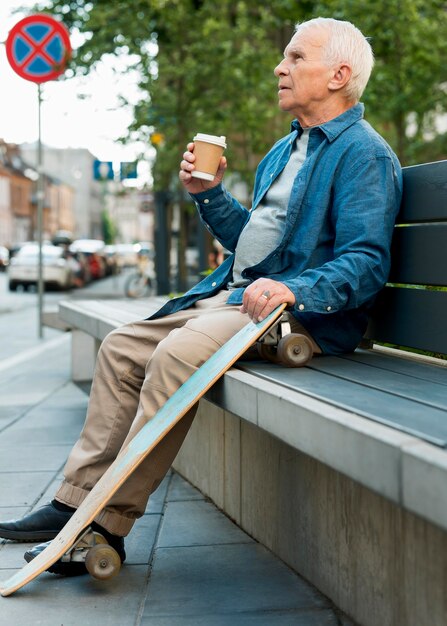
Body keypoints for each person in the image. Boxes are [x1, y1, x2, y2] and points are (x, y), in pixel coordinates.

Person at [0, 17, 402, 574]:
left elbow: (366, 263)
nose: (279, 68)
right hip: (242, 297)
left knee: (175, 355)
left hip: (299, 318)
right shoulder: (283, 152)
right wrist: (210, 195)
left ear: (338, 74)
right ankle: (72, 501)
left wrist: (292, 287)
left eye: (295, 58)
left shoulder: (364, 154)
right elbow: (253, 250)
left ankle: (102, 529)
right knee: (120, 348)